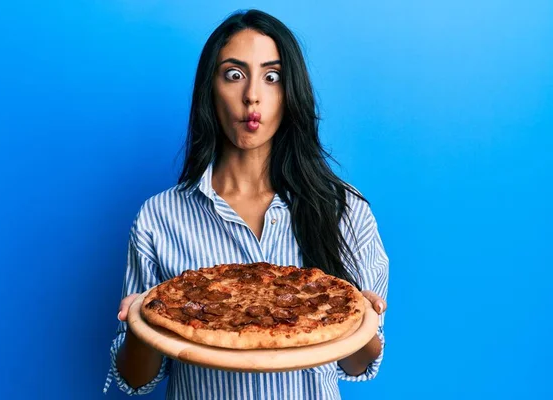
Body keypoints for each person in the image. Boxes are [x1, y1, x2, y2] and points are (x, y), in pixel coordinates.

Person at [103, 9, 389, 400]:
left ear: (291, 93)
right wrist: (140, 325)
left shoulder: (344, 209)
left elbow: (358, 364)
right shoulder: (159, 218)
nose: (252, 94)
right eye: (234, 74)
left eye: (272, 77)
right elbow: (136, 380)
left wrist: (366, 324)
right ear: (210, 88)